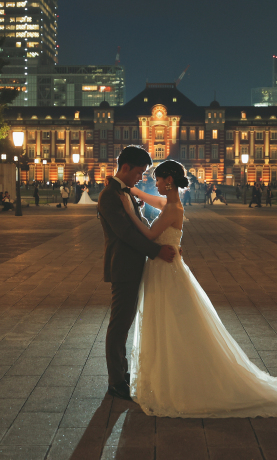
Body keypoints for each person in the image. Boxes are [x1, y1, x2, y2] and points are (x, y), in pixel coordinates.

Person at [118, 158, 277, 417]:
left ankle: (172, 373)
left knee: (167, 318)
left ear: (169, 180)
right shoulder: (172, 204)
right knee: (169, 318)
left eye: (158, 179)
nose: (155, 183)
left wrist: (129, 212)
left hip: (165, 269)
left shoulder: (172, 208)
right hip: (166, 266)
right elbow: (157, 202)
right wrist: (132, 192)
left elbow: (151, 236)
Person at [97, 146, 177, 402]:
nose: (140, 178)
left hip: (132, 264)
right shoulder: (110, 195)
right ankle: (116, 382)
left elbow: (139, 223)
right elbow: (126, 233)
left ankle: (121, 373)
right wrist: (156, 251)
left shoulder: (123, 193)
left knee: (125, 322)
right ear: (125, 168)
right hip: (123, 266)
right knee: (119, 325)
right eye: (140, 172)